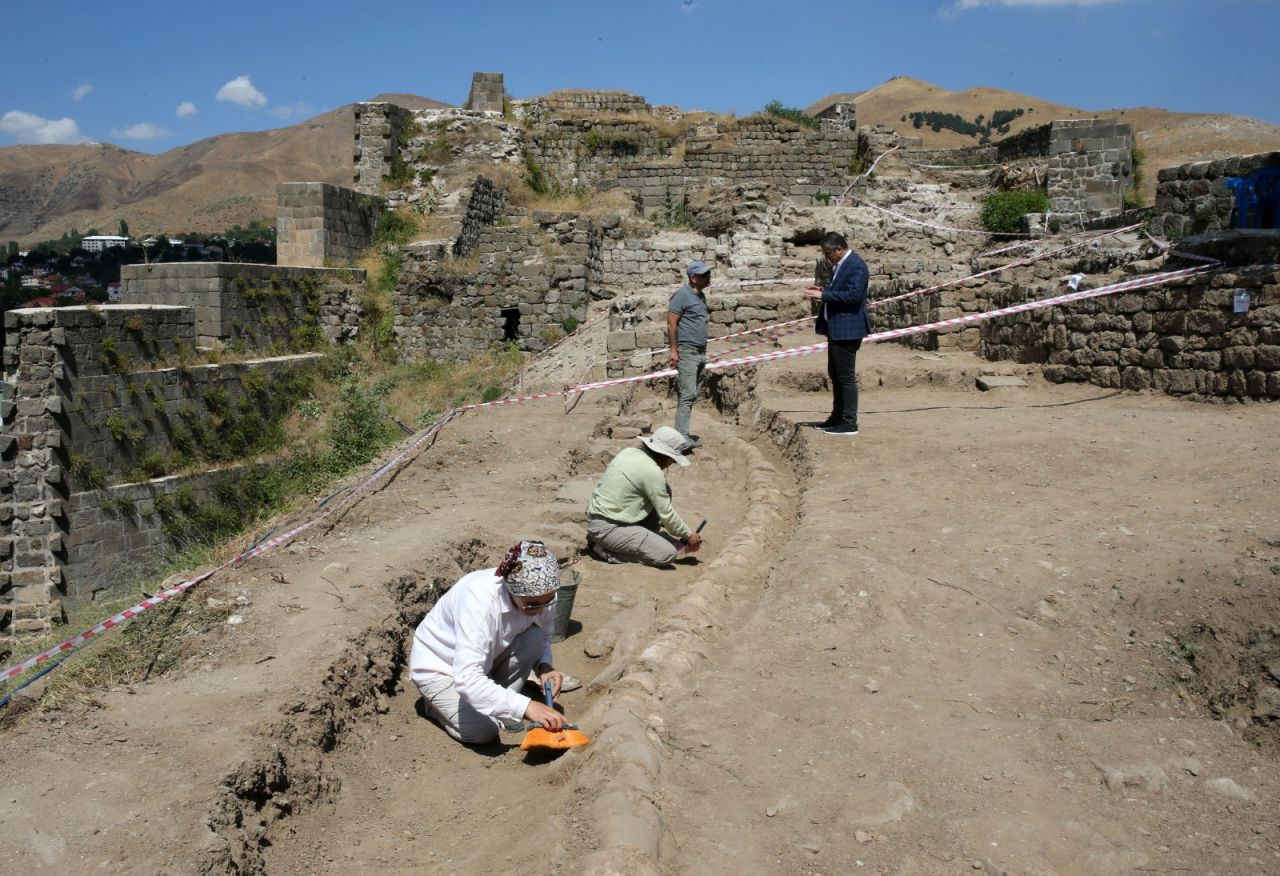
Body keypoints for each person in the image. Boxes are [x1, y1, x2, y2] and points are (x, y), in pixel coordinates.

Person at [409, 540, 575, 745]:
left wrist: (545, 665)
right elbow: (468, 678)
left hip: (484, 660)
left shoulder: (543, 592)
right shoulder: (479, 602)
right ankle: (435, 707)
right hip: (443, 670)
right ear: (511, 590)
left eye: (548, 601)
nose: (541, 610)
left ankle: (497, 704)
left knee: (534, 637)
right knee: (482, 731)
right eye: (532, 604)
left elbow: (545, 636)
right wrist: (527, 707)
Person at [585, 426, 703, 566]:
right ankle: (603, 550)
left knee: (665, 490)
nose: (672, 464)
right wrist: (689, 535)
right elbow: (667, 515)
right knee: (667, 554)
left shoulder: (629, 452)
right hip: (608, 528)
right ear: (665, 457)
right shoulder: (652, 472)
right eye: (673, 460)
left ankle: (642, 537)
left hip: (599, 517)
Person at [803, 231, 870, 436]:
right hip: (837, 328)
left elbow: (853, 296)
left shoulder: (856, 265)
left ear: (839, 249)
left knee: (845, 377)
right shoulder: (840, 265)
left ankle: (849, 422)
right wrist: (824, 289)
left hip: (847, 330)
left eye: (828, 253)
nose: (826, 257)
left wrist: (824, 295)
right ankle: (837, 416)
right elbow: (841, 290)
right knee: (836, 374)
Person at [667, 260, 712, 451]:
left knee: (692, 395)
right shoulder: (682, 295)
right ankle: (680, 439)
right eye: (704, 275)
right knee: (687, 395)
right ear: (693, 278)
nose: (708, 277)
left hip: (700, 353)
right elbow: (671, 322)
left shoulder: (700, 296)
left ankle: (683, 434)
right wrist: (674, 351)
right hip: (687, 352)